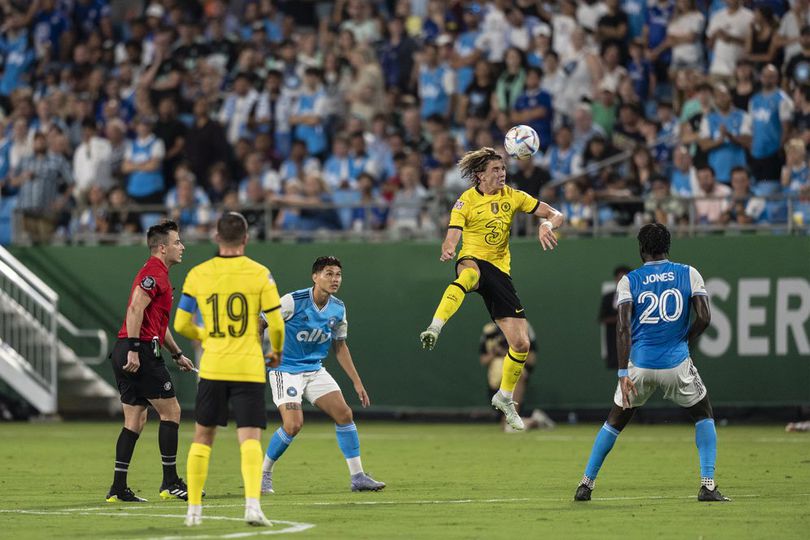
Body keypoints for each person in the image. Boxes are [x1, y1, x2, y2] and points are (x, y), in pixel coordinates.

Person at [573, 223, 730, 503]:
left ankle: (586, 484)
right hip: (676, 364)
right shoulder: (689, 273)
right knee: (703, 414)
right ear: (668, 246)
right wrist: (684, 339)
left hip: (639, 365)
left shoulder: (629, 280)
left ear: (641, 249)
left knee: (614, 422)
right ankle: (707, 485)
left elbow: (622, 328)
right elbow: (705, 318)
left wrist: (623, 371)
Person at [419, 147, 564, 431]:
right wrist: (449, 245)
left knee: (521, 344)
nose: (502, 174)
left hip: (500, 272)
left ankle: (505, 397)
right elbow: (454, 232)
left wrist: (547, 223)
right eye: (495, 170)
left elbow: (556, 213)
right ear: (479, 176)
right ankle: (435, 327)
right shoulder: (466, 200)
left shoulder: (513, 196)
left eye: (503, 169)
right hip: (473, 259)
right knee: (469, 275)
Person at [174, 212, 285, 527]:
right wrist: (274, 350)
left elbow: (181, 322)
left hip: (213, 366)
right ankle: (252, 507)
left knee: (202, 436)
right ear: (246, 239)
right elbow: (276, 323)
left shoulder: (198, 273)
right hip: (248, 367)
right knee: (249, 437)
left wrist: (206, 335)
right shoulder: (260, 274)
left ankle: (193, 511)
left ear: (216, 238)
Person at [259, 256, 385, 494]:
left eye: (338, 274)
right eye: (329, 274)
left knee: (344, 413)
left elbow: (340, 346)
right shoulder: (292, 301)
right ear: (315, 277)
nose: (334, 279)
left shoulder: (338, 308)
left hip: (314, 369)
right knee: (293, 425)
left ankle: (358, 477)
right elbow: (260, 323)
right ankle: (264, 473)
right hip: (285, 370)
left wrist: (357, 382)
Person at [106, 220, 196, 503]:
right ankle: (170, 482)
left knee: (135, 419)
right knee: (172, 412)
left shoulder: (159, 274)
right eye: (177, 242)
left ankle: (118, 488)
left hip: (130, 348)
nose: (182, 247)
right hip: (140, 350)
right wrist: (135, 349)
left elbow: (157, 323)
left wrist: (177, 353)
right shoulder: (154, 273)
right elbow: (134, 309)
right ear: (162, 247)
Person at [479, 321, 554, 432]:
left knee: (518, 372)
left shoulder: (523, 326)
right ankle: (537, 420)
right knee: (506, 425)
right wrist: (495, 352)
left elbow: (531, 360)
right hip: (495, 385)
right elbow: (483, 360)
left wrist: (511, 354)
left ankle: (513, 419)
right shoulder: (490, 330)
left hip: (514, 386)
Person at [598, 266, 632, 370]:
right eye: (620, 278)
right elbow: (602, 318)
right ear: (615, 279)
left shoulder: (637, 295)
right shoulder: (608, 297)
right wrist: (621, 319)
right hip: (614, 341)